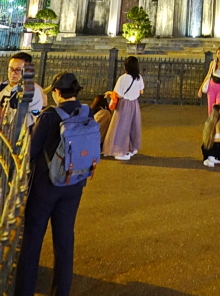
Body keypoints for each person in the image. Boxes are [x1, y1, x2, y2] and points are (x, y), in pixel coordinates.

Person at [14, 72, 89, 296]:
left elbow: (31, 151)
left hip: (45, 187)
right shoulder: (86, 112)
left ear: (56, 92)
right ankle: (61, 291)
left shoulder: (49, 116)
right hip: (74, 184)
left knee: (32, 240)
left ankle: (24, 291)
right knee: (64, 242)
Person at [103, 56, 144, 161]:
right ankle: (132, 148)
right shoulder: (139, 77)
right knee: (133, 126)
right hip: (134, 104)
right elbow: (141, 92)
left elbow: (118, 94)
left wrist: (110, 93)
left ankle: (119, 150)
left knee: (120, 127)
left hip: (124, 104)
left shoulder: (122, 78)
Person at [0, 51, 46, 126]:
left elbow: (35, 114)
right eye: (11, 69)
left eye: (18, 70)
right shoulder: (2, 86)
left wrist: (6, 113)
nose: (13, 73)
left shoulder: (33, 90)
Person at [198, 46, 220, 114]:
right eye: (218, 53)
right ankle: (211, 120)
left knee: (219, 107)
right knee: (211, 108)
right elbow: (208, 75)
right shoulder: (213, 63)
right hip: (212, 86)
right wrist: (200, 89)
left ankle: (219, 121)